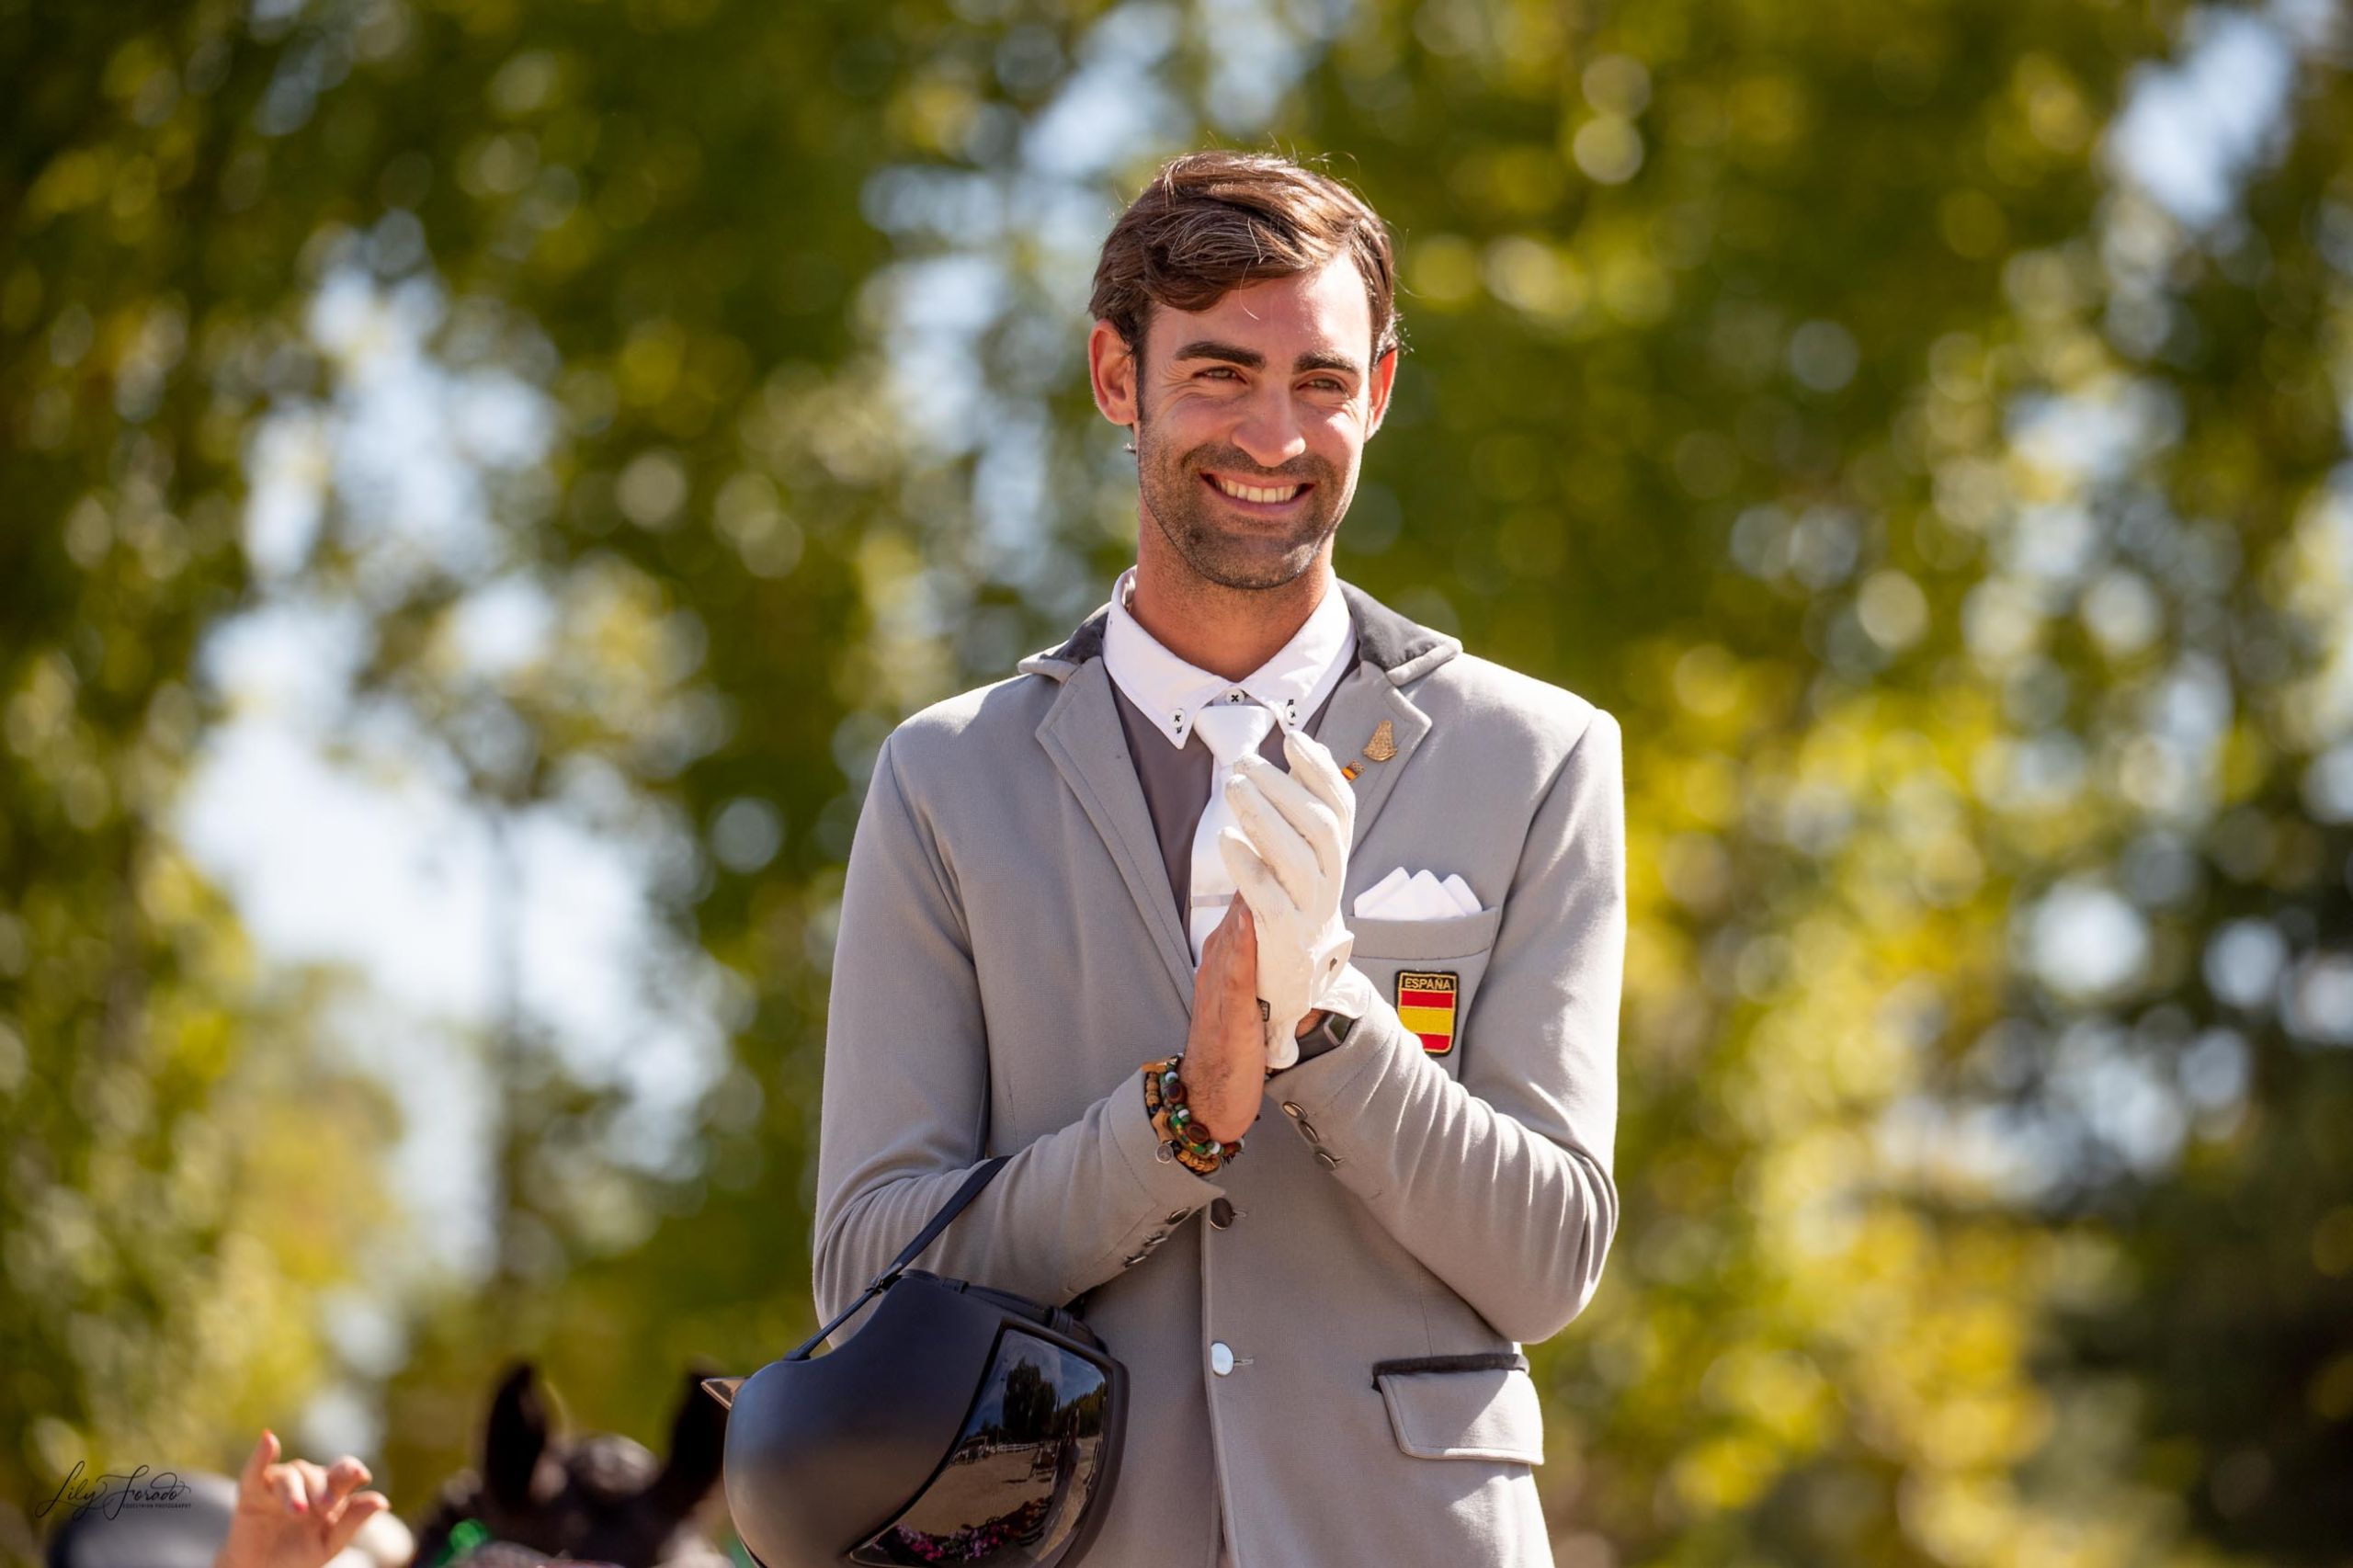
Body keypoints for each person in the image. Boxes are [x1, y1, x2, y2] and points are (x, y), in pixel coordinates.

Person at [812, 149, 1625, 1568]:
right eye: (1217, 373)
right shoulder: (946, 778)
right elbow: (871, 1268)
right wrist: (1174, 1126)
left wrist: (1333, 1029)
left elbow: (1548, 1256)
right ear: (1116, 378)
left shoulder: (1539, 756)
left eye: (1319, 380)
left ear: (1376, 392)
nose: (1273, 433)